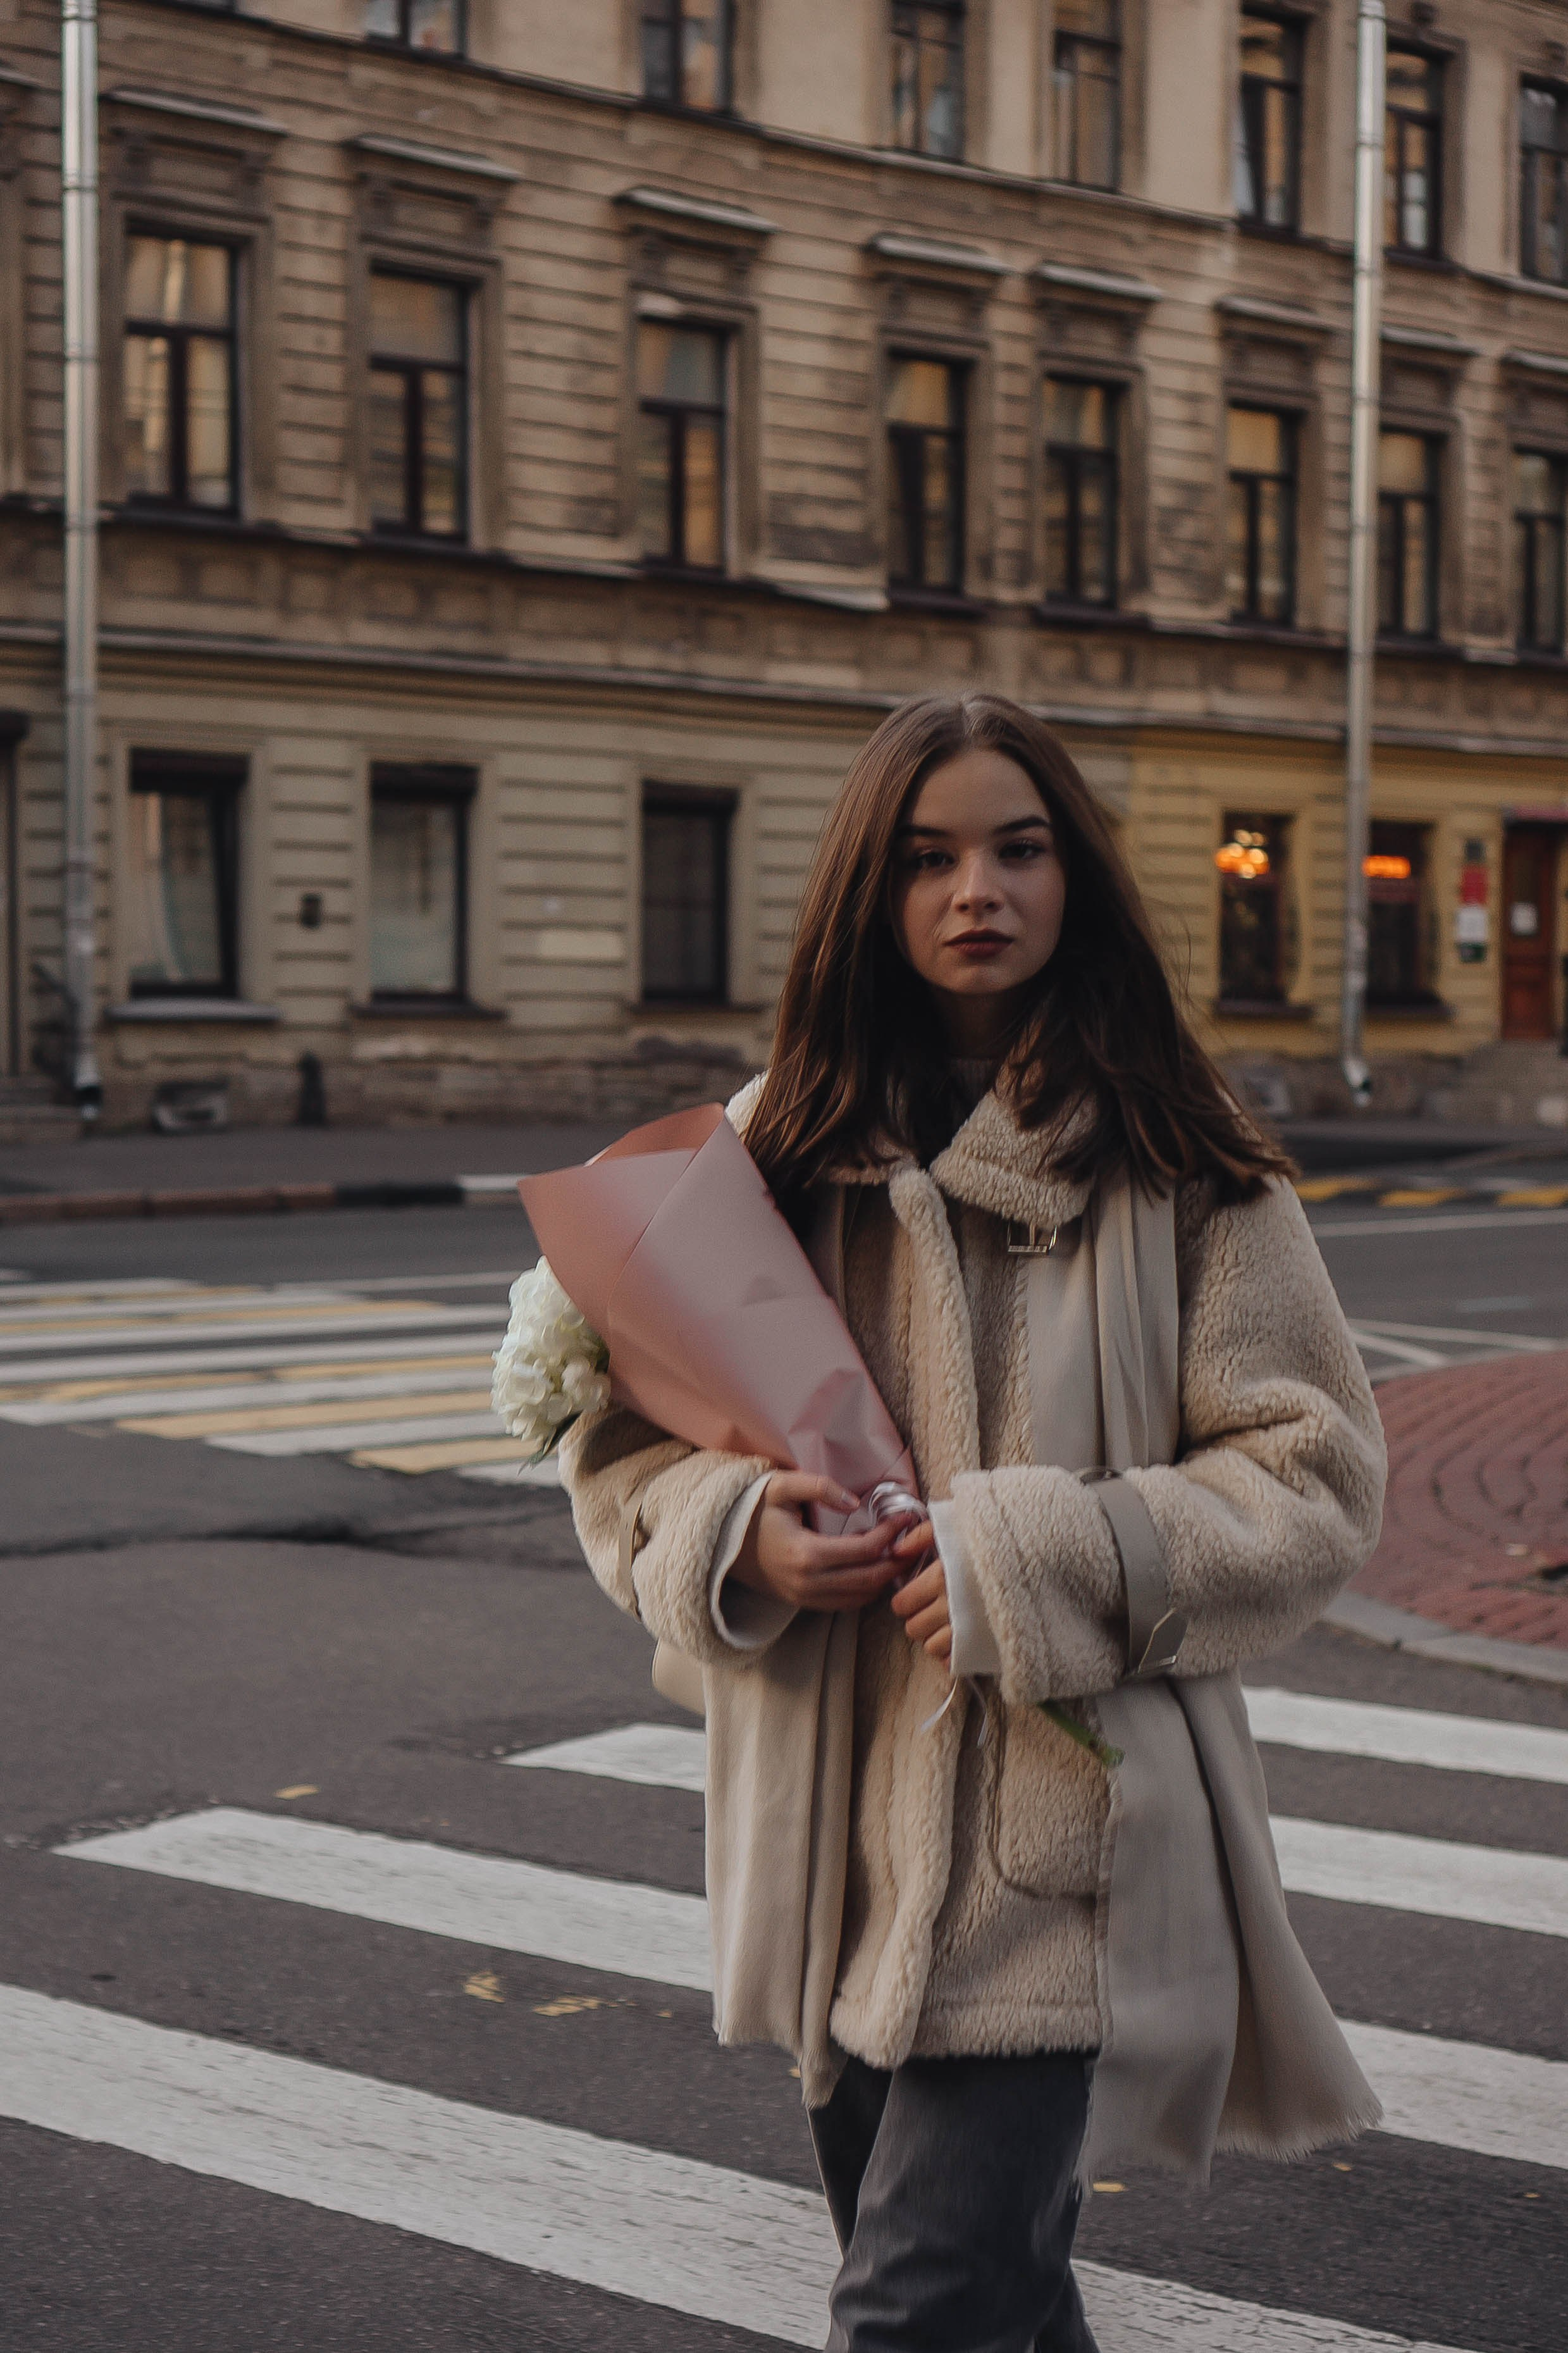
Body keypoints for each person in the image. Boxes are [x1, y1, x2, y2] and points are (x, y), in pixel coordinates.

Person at [562, 693, 1385, 2353]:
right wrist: (740, 1533)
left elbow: (1311, 1479)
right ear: (868, 889)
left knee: (916, 2309)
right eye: (929, 859)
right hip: (832, 1843)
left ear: (1076, 873)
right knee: (990, 2304)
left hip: (1061, 1841)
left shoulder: (1181, 1156)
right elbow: (623, 1454)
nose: (977, 892)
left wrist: (1034, 1558)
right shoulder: (771, 1150)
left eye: (1020, 849)